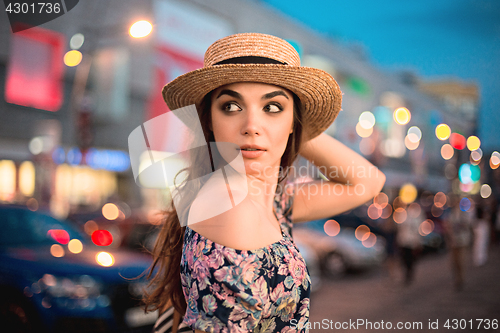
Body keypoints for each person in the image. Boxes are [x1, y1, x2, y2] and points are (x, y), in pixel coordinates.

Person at [144, 33, 386, 333]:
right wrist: (286, 122)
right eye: (231, 107)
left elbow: (368, 181)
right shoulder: (234, 209)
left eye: (272, 108)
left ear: (293, 122)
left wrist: (297, 125)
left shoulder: (268, 200)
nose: (251, 127)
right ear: (209, 120)